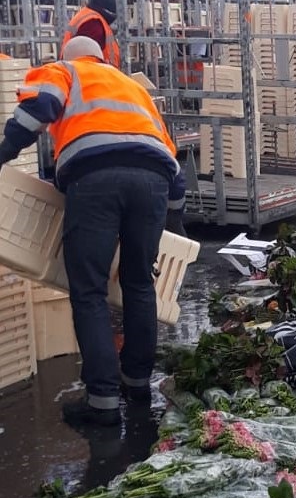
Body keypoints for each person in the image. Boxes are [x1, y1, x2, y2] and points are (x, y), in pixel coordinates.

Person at [0, 36, 186, 428]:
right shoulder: (134, 88)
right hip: (153, 181)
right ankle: (136, 383)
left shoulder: (64, 71)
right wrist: (173, 222)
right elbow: (173, 163)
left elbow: (39, 107)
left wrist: (3, 153)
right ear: (103, 58)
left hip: (96, 179)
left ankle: (101, 399)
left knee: (89, 291)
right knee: (138, 284)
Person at [61, 0, 121, 68]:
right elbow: (86, 60)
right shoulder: (93, 24)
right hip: (92, 77)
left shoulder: (88, 16)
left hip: (84, 75)